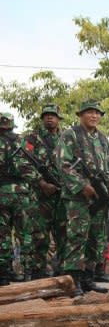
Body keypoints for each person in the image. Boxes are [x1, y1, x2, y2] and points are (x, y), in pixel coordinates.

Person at [55, 100, 109, 296]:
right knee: (77, 237)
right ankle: (73, 281)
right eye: (89, 112)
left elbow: (108, 167)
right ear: (81, 115)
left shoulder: (103, 139)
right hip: (78, 197)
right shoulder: (71, 135)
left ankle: (88, 278)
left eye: (97, 113)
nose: (94, 116)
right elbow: (63, 165)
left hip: (99, 196)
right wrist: (82, 186)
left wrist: (108, 189)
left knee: (96, 238)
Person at [23, 104, 65, 279]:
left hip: (63, 195)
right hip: (41, 196)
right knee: (39, 235)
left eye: (53, 115)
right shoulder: (32, 138)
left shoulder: (66, 138)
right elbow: (23, 163)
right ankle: (38, 272)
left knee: (64, 234)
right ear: (42, 118)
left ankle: (63, 271)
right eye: (46, 115)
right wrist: (41, 182)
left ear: (58, 119)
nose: (50, 118)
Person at [0, 113, 39, 285]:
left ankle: (3, 272)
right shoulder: (23, 142)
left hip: (2, 192)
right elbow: (31, 166)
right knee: (25, 233)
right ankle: (27, 271)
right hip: (22, 192)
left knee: (3, 234)